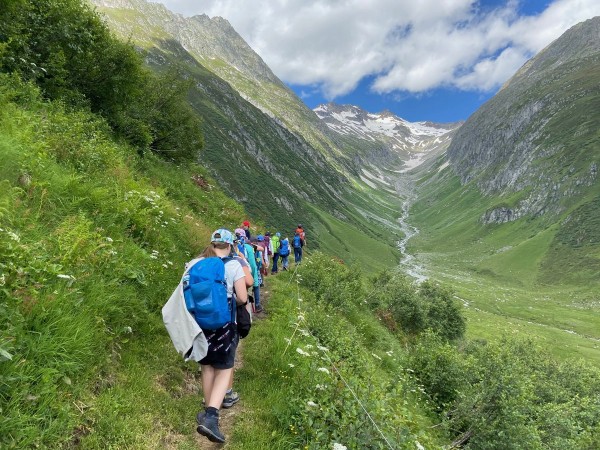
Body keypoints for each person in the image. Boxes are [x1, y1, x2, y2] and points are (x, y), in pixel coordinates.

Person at [194, 229, 249, 443]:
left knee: (207, 365)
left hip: (200, 322)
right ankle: (211, 418)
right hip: (224, 323)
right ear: (230, 245)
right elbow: (242, 298)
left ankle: (208, 411)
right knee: (225, 368)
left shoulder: (197, 263)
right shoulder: (233, 265)